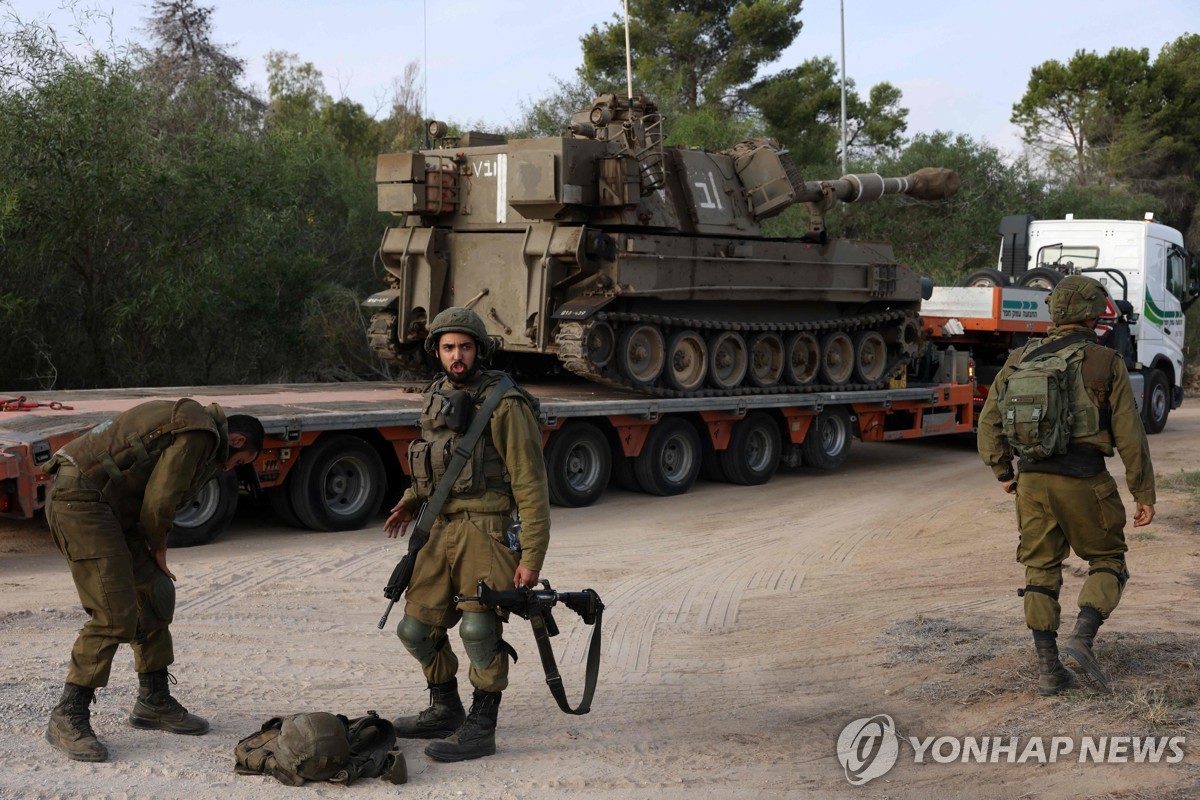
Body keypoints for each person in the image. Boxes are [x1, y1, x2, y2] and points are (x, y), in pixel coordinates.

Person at [42, 399, 264, 761]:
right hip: (82, 503)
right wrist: (159, 546)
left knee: (155, 593)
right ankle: (68, 715)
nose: (229, 469)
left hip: (112, 510)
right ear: (237, 441)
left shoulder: (197, 429)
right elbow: (160, 500)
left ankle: (153, 700)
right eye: (238, 463)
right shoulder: (200, 433)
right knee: (115, 614)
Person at [383, 306, 550, 762]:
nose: (457, 356)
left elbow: (531, 486)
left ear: (481, 350)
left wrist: (531, 556)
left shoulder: (506, 404)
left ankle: (482, 725)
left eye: (466, 347)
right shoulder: (436, 394)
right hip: (439, 529)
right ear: (437, 351)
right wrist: (412, 498)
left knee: (479, 628)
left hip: (487, 528)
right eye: (449, 347)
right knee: (414, 628)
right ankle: (445, 707)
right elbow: (437, 462)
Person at [978, 274, 1156, 695]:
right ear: (1094, 315)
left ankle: (1048, 670)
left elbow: (988, 423)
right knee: (1109, 559)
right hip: (1084, 479)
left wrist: (1005, 472)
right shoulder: (1104, 361)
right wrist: (1142, 493)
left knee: (1040, 570)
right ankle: (1083, 638)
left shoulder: (1019, 358)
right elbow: (1131, 434)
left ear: (1054, 311)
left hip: (1033, 482)